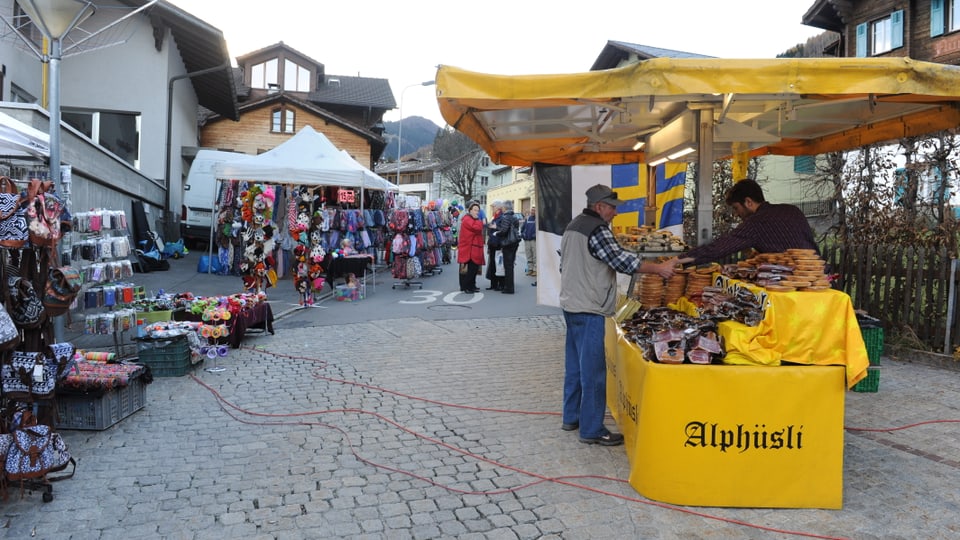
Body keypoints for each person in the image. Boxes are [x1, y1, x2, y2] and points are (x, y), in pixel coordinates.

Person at [560, 184, 679, 446]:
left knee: (575, 366)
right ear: (599, 206)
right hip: (589, 306)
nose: (615, 212)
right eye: (612, 207)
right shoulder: (597, 229)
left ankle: (571, 417)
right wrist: (659, 269)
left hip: (571, 303)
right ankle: (591, 430)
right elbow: (621, 262)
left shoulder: (573, 225)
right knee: (593, 371)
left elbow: (564, 262)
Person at [678, 179, 818, 266]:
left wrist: (678, 260)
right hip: (822, 280)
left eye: (736, 208)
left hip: (795, 291)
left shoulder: (756, 222)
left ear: (749, 202)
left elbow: (718, 247)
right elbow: (791, 244)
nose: (736, 214)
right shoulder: (792, 210)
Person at [493, 200, 521, 294]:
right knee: (511, 265)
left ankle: (509, 288)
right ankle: (510, 286)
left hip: (508, 243)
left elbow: (504, 231)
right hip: (514, 243)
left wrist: (497, 232)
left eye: (503, 207)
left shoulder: (506, 217)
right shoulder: (514, 217)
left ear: (505, 208)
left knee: (507, 266)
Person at [457, 201, 484, 293]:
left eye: (478, 210)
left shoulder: (471, 219)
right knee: (470, 269)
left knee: (473, 268)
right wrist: (479, 221)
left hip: (473, 247)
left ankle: (471, 285)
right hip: (469, 248)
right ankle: (466, 286)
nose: (477, 212)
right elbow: (477, 228)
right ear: (470, 210)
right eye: (475, 210)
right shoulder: (468, 219)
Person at [484, 201, 505, 291]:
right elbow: (490, 231)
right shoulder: (494, 217)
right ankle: (493, 284)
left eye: (493, 206)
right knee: (492, 264)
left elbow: (503, 230)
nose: (492, 208)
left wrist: (495, 227)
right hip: (492, 243)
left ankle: (500, 284)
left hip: (498, 244)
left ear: (498, 207)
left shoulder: (502, 217)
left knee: (498, 264)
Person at [521, 206, 537, 276]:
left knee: (535, 255)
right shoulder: (527, 219)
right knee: (528, 255)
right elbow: (522, 229)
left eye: (534, 210)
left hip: (534, 240)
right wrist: (523, 235)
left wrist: (534, 236)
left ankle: (535, 269)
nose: (532, 212)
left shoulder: (538, 219)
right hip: (527, 240)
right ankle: (530, 269)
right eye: (532, 210)